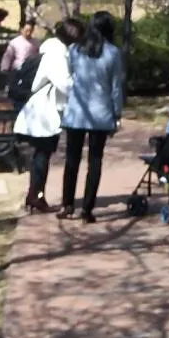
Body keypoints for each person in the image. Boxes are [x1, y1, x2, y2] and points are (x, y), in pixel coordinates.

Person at [58, 12, 125, 223]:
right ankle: (87, 210)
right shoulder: (113, 53)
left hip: (77, 112)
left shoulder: (75, 50)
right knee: (95, 161)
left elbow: (70, 75)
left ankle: (67, 205)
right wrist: (117, 113)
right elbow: (116, 87)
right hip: (101, 114)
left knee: (72, 160)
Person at [13, 19, 77, 213]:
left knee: (40, 156)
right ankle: (36, 196)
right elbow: (65, 85)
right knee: (42, 156)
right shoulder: (57, 55)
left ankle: (34, 195)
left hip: (40, 112)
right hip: (44, 114)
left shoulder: (49, 50)